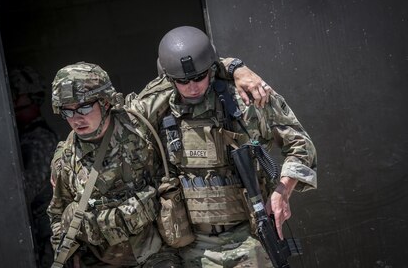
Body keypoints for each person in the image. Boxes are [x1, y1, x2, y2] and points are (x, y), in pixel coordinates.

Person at [47, 57, 271, 268]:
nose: (77, 118)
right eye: (68, 111)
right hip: (102, 259)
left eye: (85, 107)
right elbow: (57, 214)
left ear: (105, 102)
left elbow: (187, 69)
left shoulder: (137, 121)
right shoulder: (66, 160)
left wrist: (236, 68)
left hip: (155, 254)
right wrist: (66, 254)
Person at [128, 26, 317, 267]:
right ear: (168, 78)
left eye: (199, 76)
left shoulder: (244, 99)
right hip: (191, 246)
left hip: (249, 237)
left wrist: (283, 191)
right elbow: (123, 121)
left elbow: (301, 144)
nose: (193, 86)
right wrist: (234, 66)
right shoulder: (156, 112)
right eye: (182, 80)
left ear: (211, 69)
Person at [9, 65, 59, 268]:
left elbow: (25, 192)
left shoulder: (40, 138)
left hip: (44, 235)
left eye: (16, 95)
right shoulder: (26, 135)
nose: (12, 101)